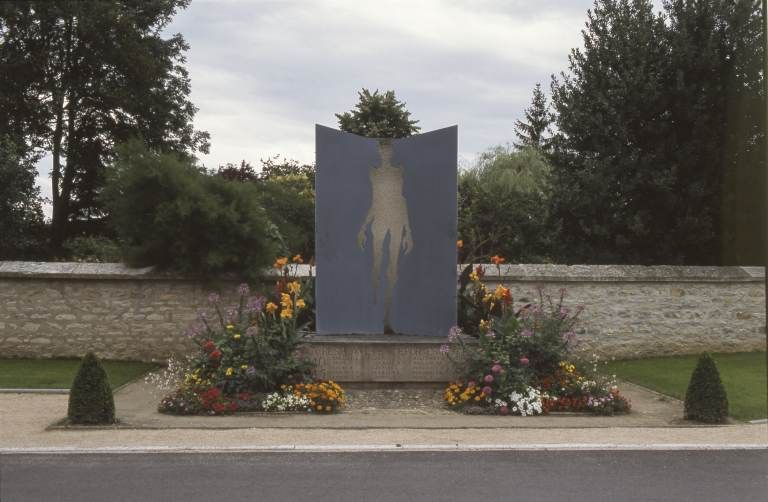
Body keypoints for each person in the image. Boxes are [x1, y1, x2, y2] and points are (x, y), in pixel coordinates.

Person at [357, 139, 413, 333]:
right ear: (379, 153)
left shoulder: (399, 172)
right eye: (383, 151)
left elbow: (401, 200)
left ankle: (388, 316)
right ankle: (372, 311)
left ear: (392, 153)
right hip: (379, 219)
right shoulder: (374, 173)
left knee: (393, 269)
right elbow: (375, 202)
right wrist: (363, 227)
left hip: (396, 220)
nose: (385, 154)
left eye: (388, 151)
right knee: (376, 264)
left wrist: (409, 232)